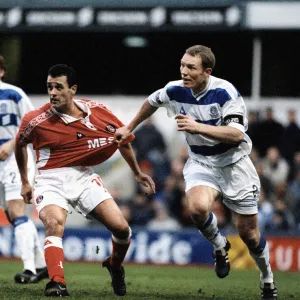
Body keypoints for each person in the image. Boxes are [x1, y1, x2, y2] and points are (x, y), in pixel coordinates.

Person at [114, 45, 277, 300]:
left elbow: (236, 134)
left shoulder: (225, 92)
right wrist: (129, 127)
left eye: (191, 67)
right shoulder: (174, 89)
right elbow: (151, 101)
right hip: (202, 162)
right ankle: (220, 245)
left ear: (206, 72)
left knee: (249, 234)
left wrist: (196, 126)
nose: (184, 71)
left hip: (235, 165)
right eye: (182, 65)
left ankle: (267, 278)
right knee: (197, 209)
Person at [14, 64, 155, 297]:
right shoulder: (35, 120)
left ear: (73, 89)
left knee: (121, 229)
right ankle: (57, 282)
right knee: (54, 224)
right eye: (49, 87)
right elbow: (20, 145)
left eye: (59, 87)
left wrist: (137, 173)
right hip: (50, 179)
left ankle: (114, 265)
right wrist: (25, 182)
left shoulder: (98, 111)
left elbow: (123, 138)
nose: (53, 92)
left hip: (83, 176)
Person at [0, 55, 48, 284]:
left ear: (2, 72)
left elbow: (34, 122)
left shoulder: (14, 93)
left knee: (16, 211)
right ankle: (41, 265)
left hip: (15, 159)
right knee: (12, 215)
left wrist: (11, 144)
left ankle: (29, 269)